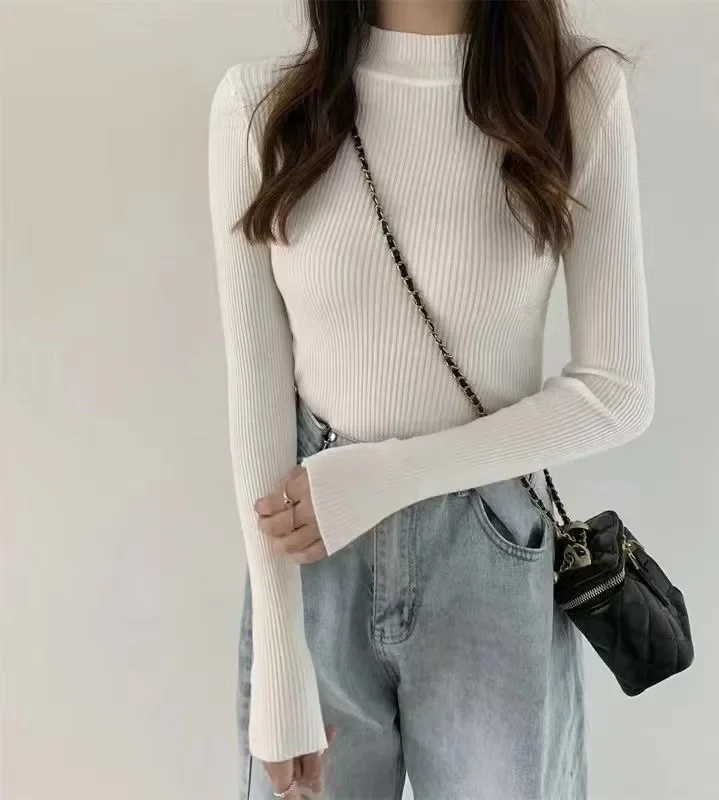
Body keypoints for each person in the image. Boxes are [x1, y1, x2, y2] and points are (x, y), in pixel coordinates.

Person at [208, 0, 653, 797]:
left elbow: (619, 392)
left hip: (489, 551)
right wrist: (279, 664)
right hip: (311, 552)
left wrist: (390, 476)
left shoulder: (574, 94)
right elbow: (256, 395)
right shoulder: (261, 108)